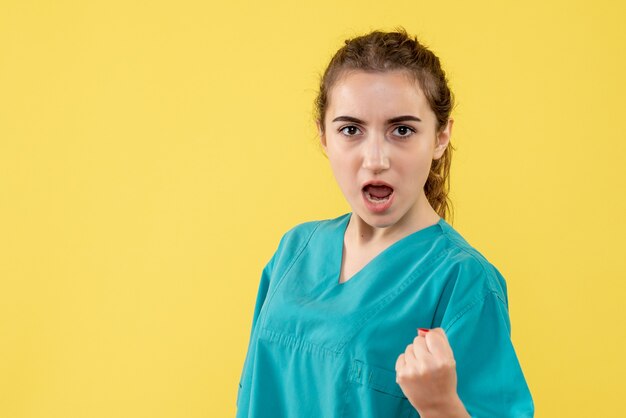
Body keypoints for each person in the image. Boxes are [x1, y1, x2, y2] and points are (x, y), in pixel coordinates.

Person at [236, 28, 534, 418]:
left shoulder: (464, 283)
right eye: (351, 130)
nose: (375, 159)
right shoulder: (295, 251)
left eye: (402, 130)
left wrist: (442, 406)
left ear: (441, 136)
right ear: (323, 137)